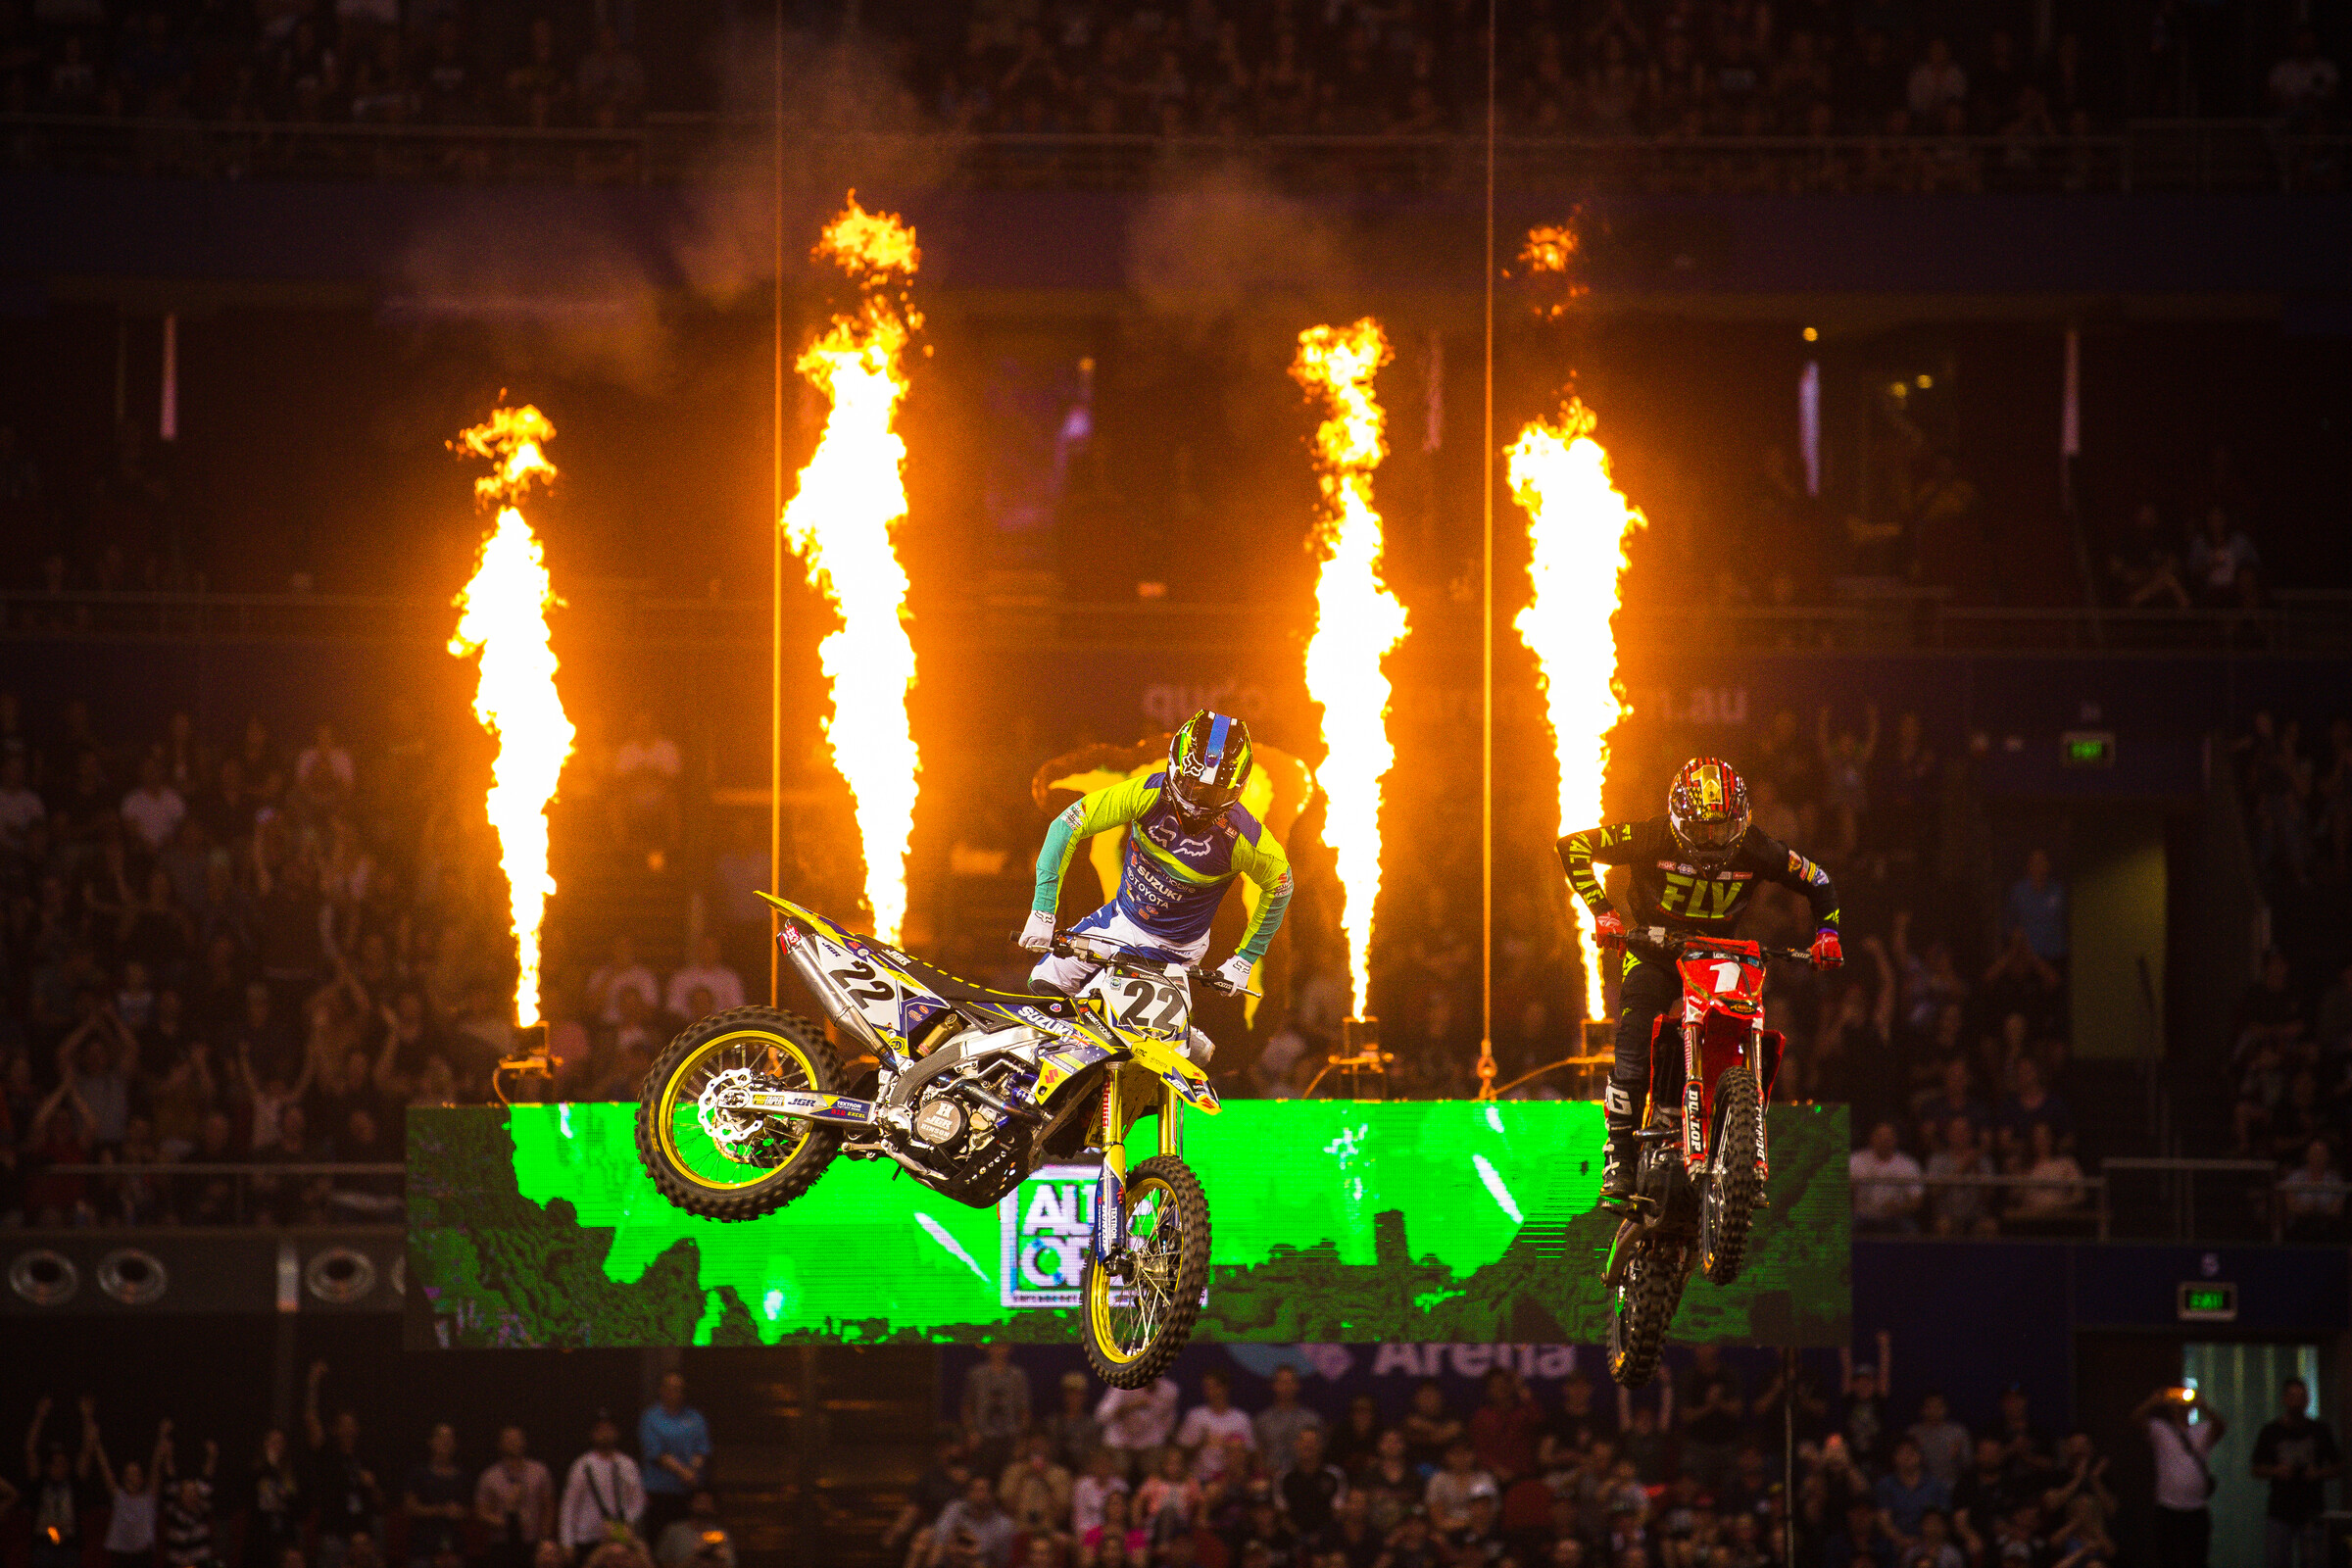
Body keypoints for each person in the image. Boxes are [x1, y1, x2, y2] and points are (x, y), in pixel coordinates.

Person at [1557, 757, 1842, 1200]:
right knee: (1633, 1042)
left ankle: (1737, 1138)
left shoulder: (1757, 847)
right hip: (1653, 951)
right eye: (1701, 830)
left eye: (1723, 829)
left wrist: (1828, 934)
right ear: (1677, 820)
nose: (1712, 840)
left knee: (1744, 1026)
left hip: (1718, 953)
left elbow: (1819, 879)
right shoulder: (1651, 835)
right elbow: (1573, 845)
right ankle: (1620, 1153)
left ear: (1741, 821)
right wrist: (1603, 910)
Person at [1019, 710, 1293, 1016]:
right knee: (1043, 986)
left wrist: (1245, 959)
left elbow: (1281, 887)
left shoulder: (1246, 838)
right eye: (1190, 786)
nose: (1197, 803)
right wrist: (1043, 909)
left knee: (1098, 1017)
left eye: (1214, 793)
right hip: (1119, 919)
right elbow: (1066, 825)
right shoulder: (1146, 793)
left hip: (1174, 950)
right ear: (1173, 767)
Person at [2251, 1377, 2340, 1568]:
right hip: (2280, 1510)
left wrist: (2318, 1473)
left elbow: (2339, 1465)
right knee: (2277, 1561)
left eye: (2301, 1397)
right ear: (2284, 1399)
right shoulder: (2271, 1431)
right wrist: (2276, 1471)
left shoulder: (2320, 1430)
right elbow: (2256, 1467)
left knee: (2314, 1561)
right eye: (2292, 1396)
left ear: (2307, 1400)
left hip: (2312, 1510)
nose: (2297, 1402)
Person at [2134, 1386, 2225, 1568]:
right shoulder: (2160, 1429)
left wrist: (2203, 1405)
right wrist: (2153, 1401)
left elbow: (2221, 1427)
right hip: (2168, 1508)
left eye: (2184, 1403)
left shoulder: (2202, 1430)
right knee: (2168, 1560)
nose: (2181, 1406)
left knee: (2197, 1560)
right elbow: (2136, 1420)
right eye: (2177, 1404)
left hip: (2196, 1509)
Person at [304, 1363, 382, 1568]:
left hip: (362, 1536)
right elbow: (311, 1421)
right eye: (344, 1425)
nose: (348, 1430)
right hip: (335, 1534)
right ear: (335, 1429)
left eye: (352, 1425)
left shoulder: (365, 1457)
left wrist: (372, 1485)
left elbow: (380, 1502)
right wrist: (313, 1384)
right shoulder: (327, 1453)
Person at [637, 1374, 710, 1544]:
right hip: (660, 1491)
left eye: (678, 1389)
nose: (674, 1393)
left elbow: (702, 1449)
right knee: (659, 1538)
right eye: (670, 1388)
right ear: (661, 1390)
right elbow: (655, 1452)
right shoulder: (650, 1418)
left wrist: (692, 1472)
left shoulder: (695, 1417)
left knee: (687, 1540)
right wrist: (683, 1472)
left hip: (689, 1491)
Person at [558, 1416, 644, 1556]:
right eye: (600, 1430)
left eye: (609, 1429)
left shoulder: (627, 1464)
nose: (605, 1434)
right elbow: (569, 1506)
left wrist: (627, 1522)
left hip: (620, 1535)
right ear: (592, 1434)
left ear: (616, 1432)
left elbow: (638, 1500)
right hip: (588, 1537)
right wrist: (567, 1542)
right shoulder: (581, 1465)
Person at [474, 1427, 554, 1568]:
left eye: (517, 1439)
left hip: (533, 1542)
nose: (514, 1442)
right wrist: (506, 1523)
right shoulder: (489, 1477)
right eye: (509, 1439)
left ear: (524, 1442)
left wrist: (545, 1538)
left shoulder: (539, 1471)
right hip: (502, 1544)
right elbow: (481, 1513)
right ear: (500, 1444)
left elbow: (549, 1507)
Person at [960, 1345, 1032, 1479]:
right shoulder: (976, 1374)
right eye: (996, 1346)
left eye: (1003, 1346)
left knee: (1007, 1479)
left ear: (1009, 1348)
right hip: (983, 1438)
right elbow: (967, 1407)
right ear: (989, 1348)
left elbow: (1024, 1411)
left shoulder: (1018, 1376)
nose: (999, 1350)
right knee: (982, 1479)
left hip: (1009, 1439)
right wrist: (971, 1432)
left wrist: (1021, 1441)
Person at [402, 1426, 468, 1568]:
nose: (445, 1441)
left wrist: (459, 1512)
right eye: (440, 1437)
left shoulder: (461, 1476)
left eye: (449, 1438)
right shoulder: (418, 1474)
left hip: (453, 1549)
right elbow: (409, 1508)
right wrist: (441, 1510)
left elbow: (468, 1510)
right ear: (431, 1442)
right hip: (423, 1548)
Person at [650, 1491, 731, 1568]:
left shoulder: (720, 1534)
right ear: (690, 1504)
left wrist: (720, 1560)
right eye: (700, 1502)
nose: (704, 1507)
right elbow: (662, 1564)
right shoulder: (674, 1531)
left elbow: (731, 1565)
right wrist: (695, 1557)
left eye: (708, 1503)